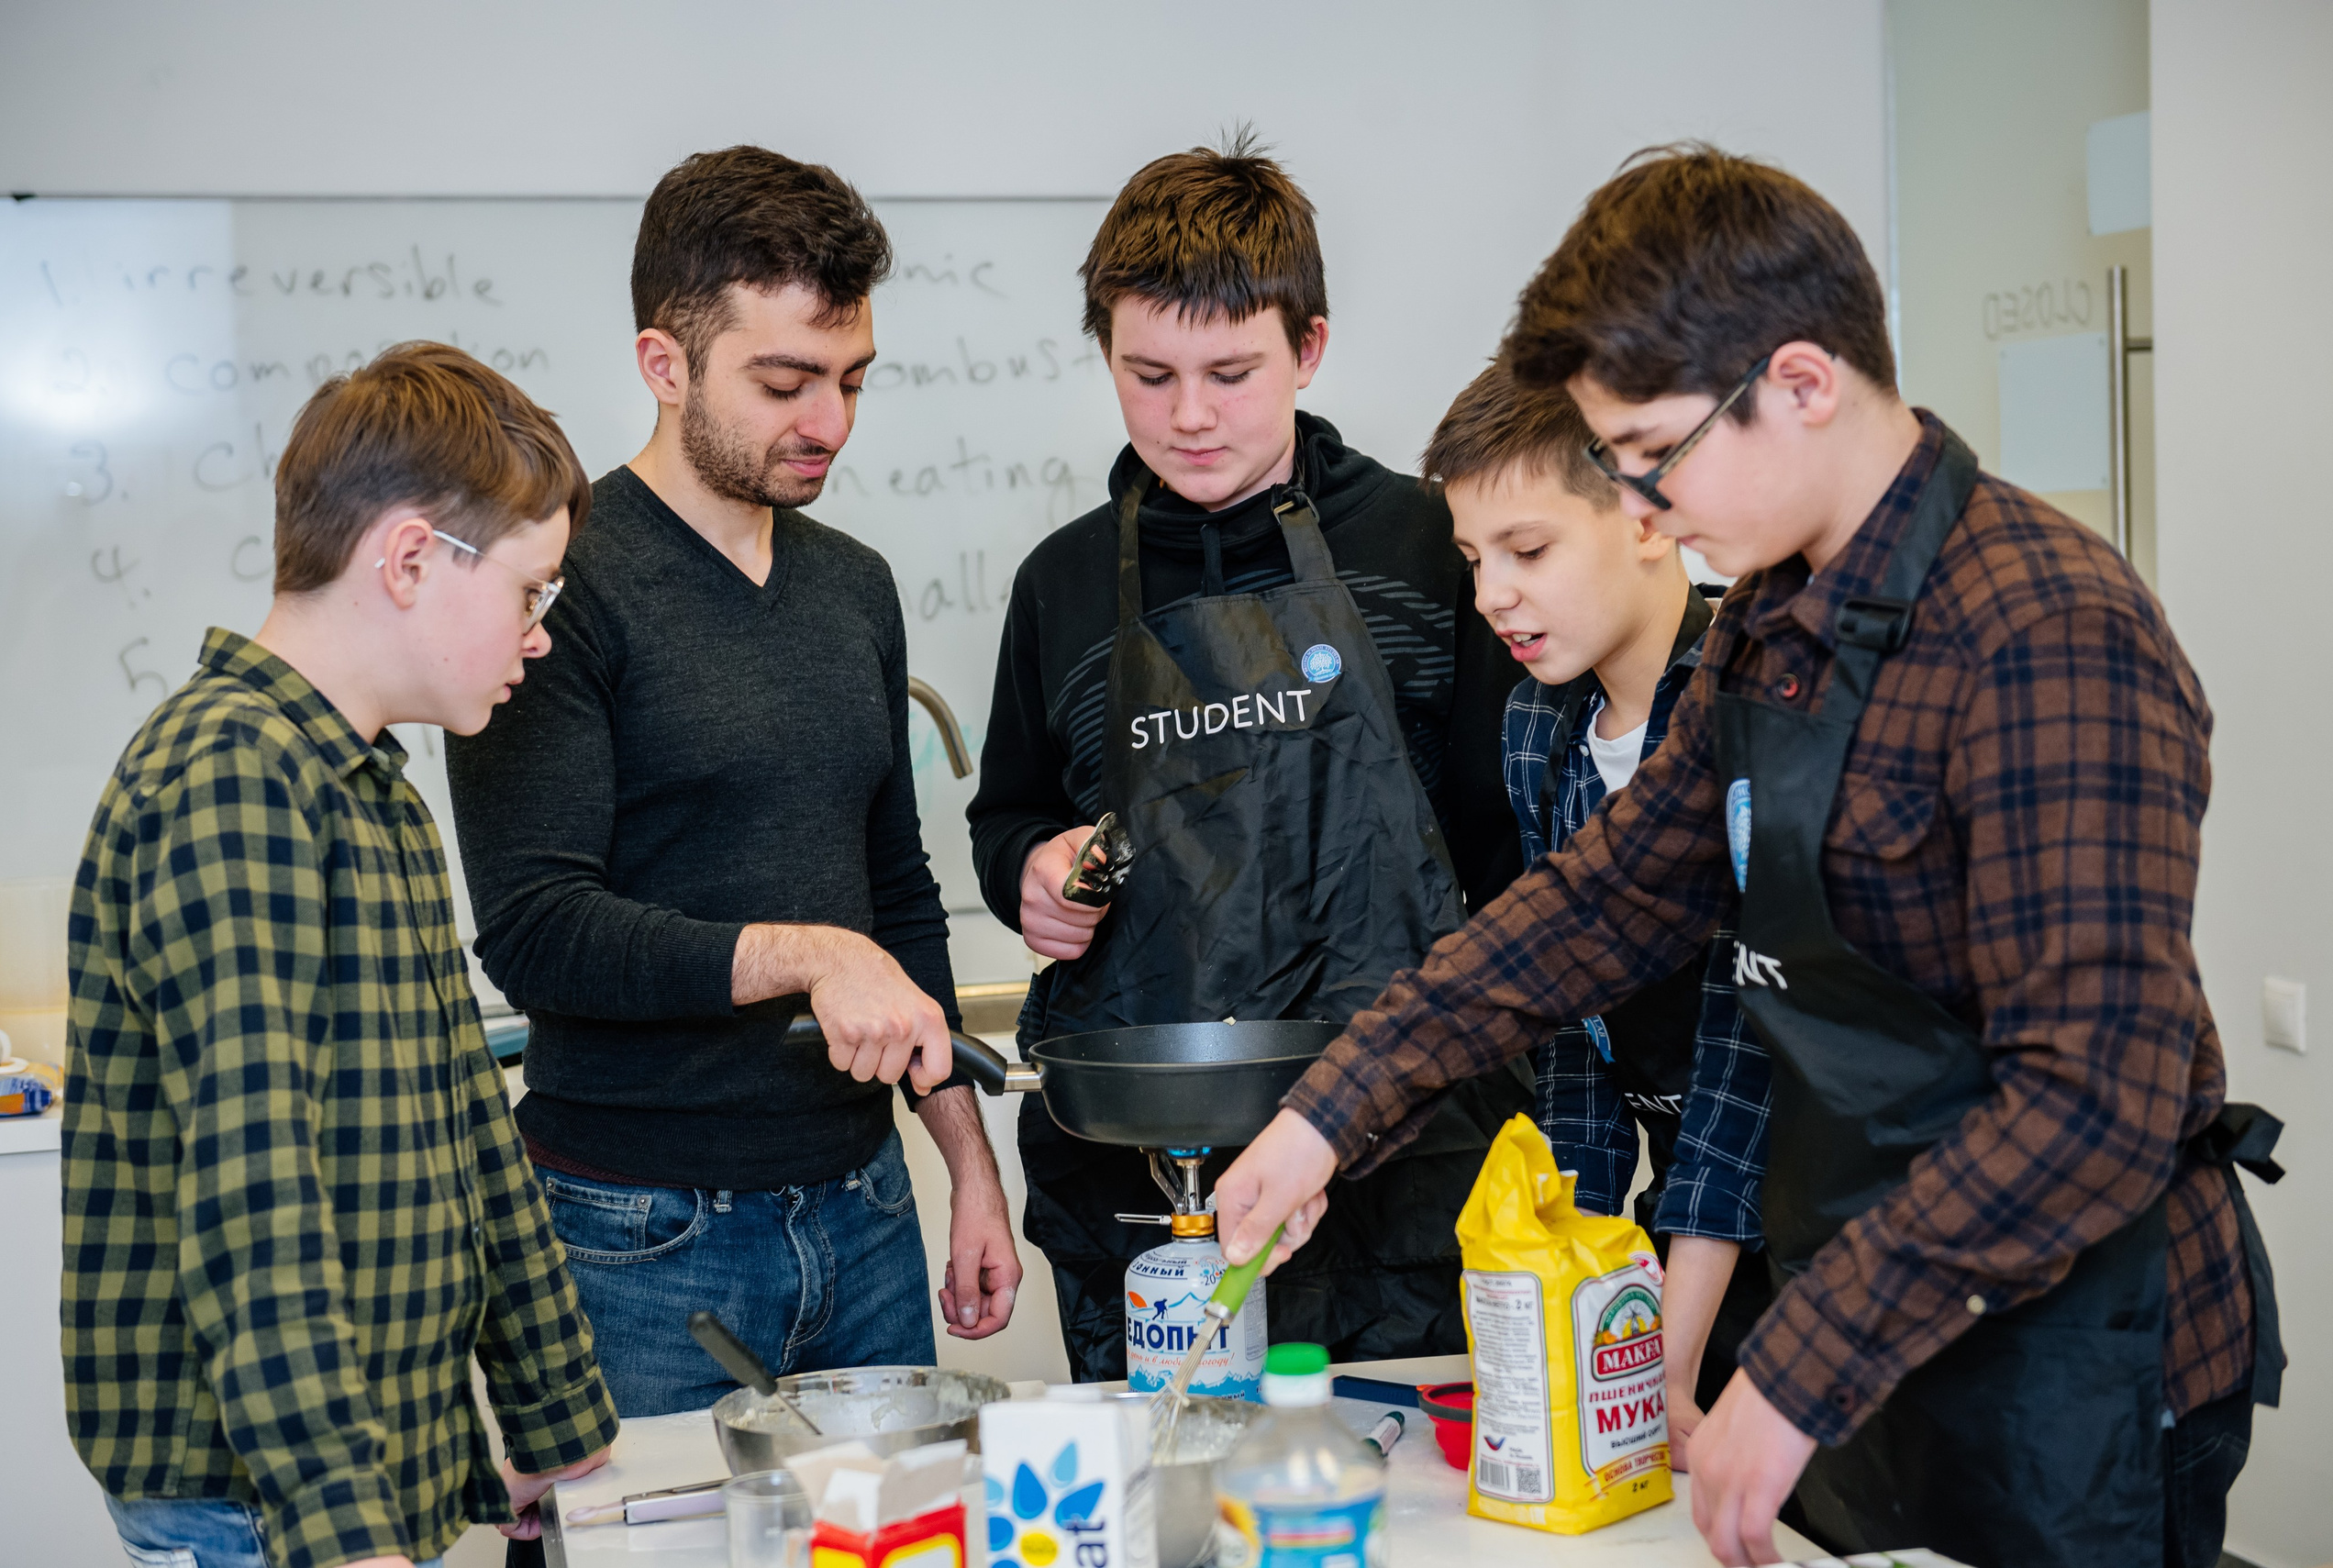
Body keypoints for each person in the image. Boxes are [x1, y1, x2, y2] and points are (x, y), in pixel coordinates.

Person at [1215, 145, 2283, 1568]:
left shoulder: (2044, 631)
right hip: (1871, 1326)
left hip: (2073, 1357)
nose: (1646, 513)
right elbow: (1593, 910)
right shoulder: (1773, 629)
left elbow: (2095, 1096)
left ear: (1799, 381)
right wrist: (1327, 1116)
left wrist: (1797, 1360)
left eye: (1654, 458)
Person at [445, 147, 1021, 1418]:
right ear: (666, 364)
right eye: (785, 382)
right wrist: (808, 954)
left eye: (852, 380)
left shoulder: (855, 587)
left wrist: (969, 1167)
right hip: (637, 1239)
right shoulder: (555, 589)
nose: (830, 422)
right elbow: (540, 933)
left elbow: (895, 895)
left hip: (866, 1209)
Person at [966, 131, 1528, 1382]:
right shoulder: (1059, 584)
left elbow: (1510, 851)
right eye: (1147, 373)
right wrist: (1034, 873)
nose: (1190, 416)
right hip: (1148, 1167)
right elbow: (1004, 815)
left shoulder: (1433, 547)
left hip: (1410, 1161)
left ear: (1310, 346)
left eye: (1231, 371)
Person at [63, 343, 617, 1568]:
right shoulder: (233, 779)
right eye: (532, 592)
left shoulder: (374, 793)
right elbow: (253, 1190)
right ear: (413, 558)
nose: (538, 637)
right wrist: (339, 1527)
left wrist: (560, 1426)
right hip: (262, 1504)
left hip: (372, 1466)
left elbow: (475, 1126)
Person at [1421, 357, 1773, 1466]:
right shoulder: (1538, 725)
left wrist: (1660, 1363)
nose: (1491, 596)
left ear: (1648, 518)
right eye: (1473, 560)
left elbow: (1740, 1055)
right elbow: (1571, 1028)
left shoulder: (1748, 702)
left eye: (1527, 551)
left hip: (1797, 1225)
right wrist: (1560, 1289)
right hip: (1674, 1226)